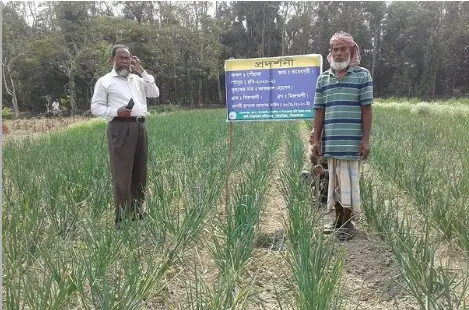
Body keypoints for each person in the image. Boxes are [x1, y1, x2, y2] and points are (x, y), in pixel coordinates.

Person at [311, 31, 373, 241]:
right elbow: (319, 111)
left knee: (349, 184)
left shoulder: (362, 76)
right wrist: (316, 139)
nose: (338, 53)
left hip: (352, 142)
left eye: (342, 49)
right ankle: (337, 220)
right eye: (335, 49)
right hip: (331, 142)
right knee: (334, 183)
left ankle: (348, 224)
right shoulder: (323, 79)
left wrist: (365, 140)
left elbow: (366, 109)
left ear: (351, 51)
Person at [91, 44, 160, 228]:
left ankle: (138, 211)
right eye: (121, 58)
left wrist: (142, 71)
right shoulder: (105, 81)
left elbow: (154, 93)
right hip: (120, 128)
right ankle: (121, 217)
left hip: (140, 127)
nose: (125, 61)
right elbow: (95, 107)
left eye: (128, 58)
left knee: (140, 170)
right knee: (122, 172)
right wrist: (116, 111)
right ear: (112, 59)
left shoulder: (138, 80)